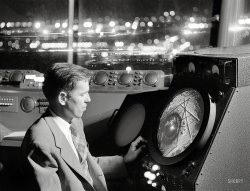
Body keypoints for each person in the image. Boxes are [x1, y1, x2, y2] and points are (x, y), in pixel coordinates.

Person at [20, 63, 146, 191]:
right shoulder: (40, 142)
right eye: (82, 94)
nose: (89, 99)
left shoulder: (75, 122)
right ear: (63, 98)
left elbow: (83, 164)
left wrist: (124, 161)